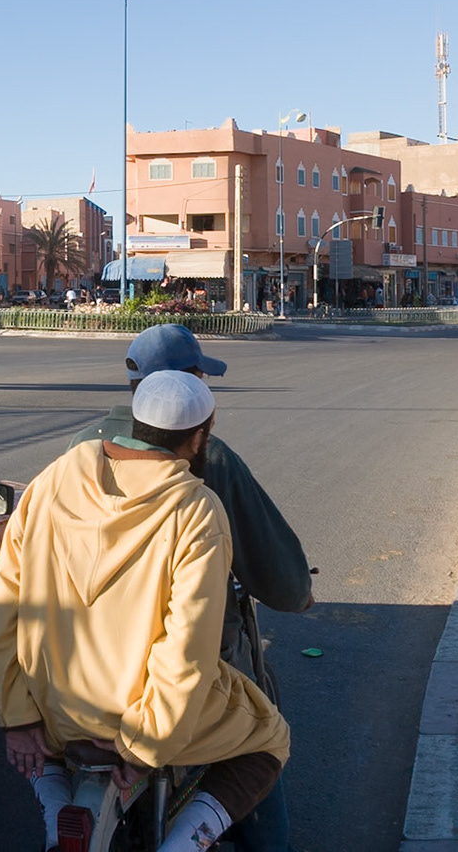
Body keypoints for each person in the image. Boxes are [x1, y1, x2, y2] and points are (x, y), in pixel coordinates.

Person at [0, 370, 290, 852]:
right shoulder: (195, 510)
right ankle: (184, 843)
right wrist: (146, 743)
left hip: (56, 707)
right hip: (133, 718)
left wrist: (16, 716)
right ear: (199, 437)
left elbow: (9, 602)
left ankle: (55, 811)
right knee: (269, 737)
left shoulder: (52, 480)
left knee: (42, 747)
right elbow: (187, 648)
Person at [75, 323, 314, 852]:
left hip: (84, 662)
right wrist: (297, 594)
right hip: (169, 671)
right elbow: (270, 568)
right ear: (187, 390)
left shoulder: (81, 449)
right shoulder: (209, 461)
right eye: (200, 374)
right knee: (263, 743)